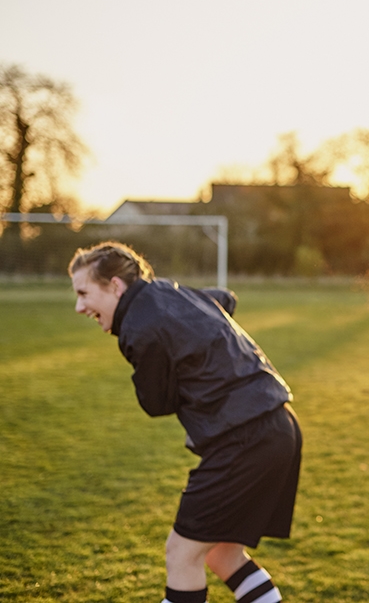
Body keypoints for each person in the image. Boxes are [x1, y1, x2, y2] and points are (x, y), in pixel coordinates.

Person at [68, 241, 301, 603]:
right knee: (220, 553)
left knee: (181, 553)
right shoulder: (165, 291)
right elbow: (225, 299)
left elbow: (156, 403)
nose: (79, 306)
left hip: (245, 439)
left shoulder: (139, 327)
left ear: (115, 286)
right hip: (279, 425)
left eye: (84, 293)